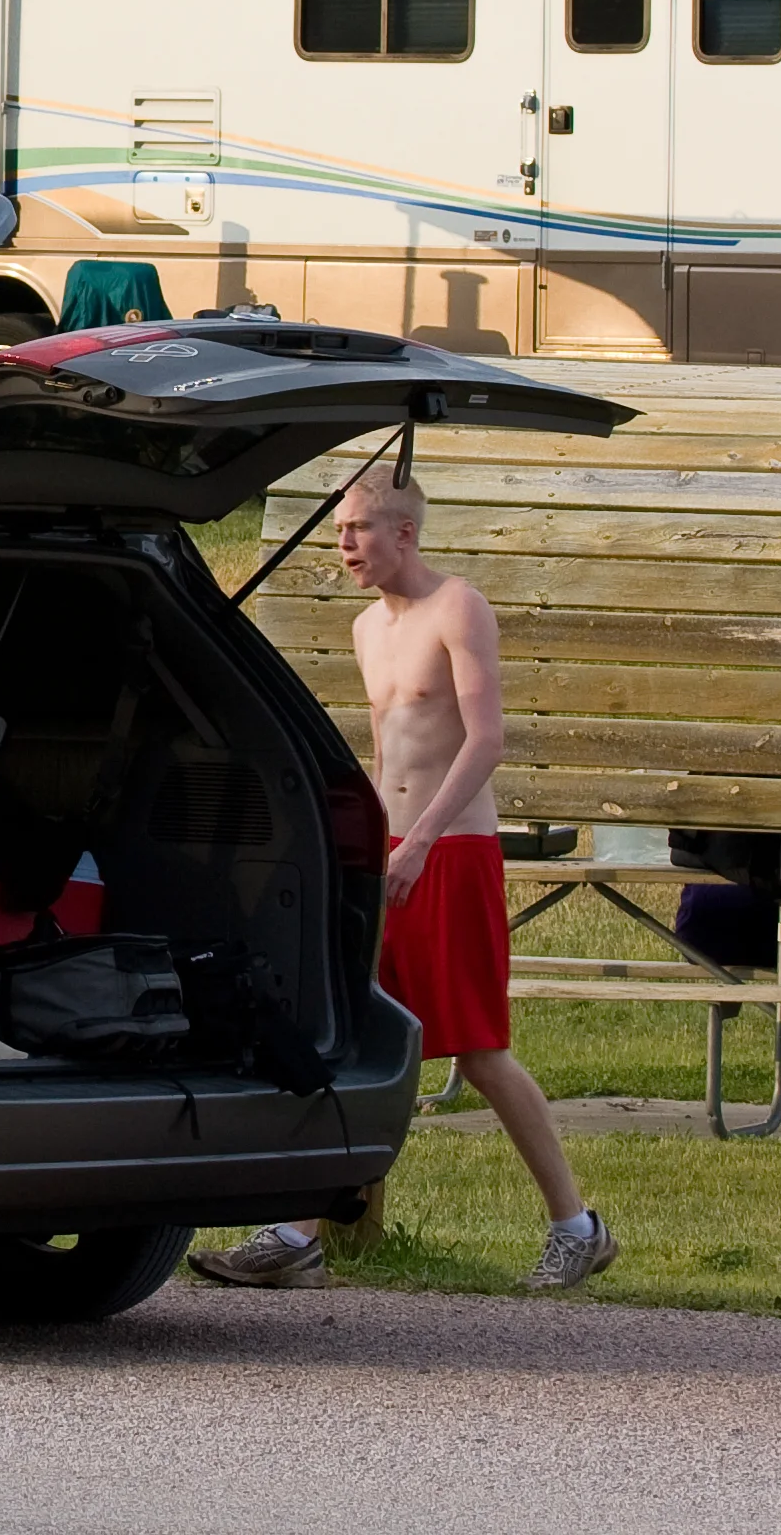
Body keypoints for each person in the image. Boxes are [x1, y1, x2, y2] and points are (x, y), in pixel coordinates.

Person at [194, 470, 617, 1292]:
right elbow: (388, 755)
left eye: (356, 529)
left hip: (452, 850)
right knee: (349, 1035)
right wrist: (369, 848)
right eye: (341, 532)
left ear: (403, 534)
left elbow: (486, 739)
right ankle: (296, 1232)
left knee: (480, 1047)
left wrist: (421, 841)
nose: (343, 545)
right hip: (389, 858)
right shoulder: (365, 628)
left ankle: (577, 1225)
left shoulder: (459, 607)